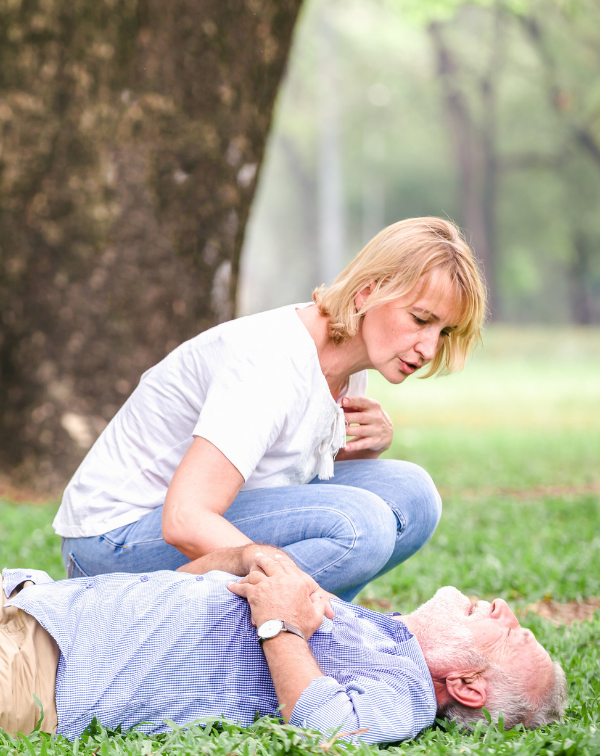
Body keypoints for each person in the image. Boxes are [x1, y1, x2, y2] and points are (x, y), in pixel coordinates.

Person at [54, 217, 486, 600]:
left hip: (184, 519)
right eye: (420, 319)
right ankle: (281, 631)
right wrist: (283, 582)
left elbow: (275, 470)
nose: (429, 348)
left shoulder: (351, 362)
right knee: (362, 526)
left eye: (444, 332)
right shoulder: (272, 361)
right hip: (108, 546)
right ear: (367, 293)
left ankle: (297, 632)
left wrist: (356, 450)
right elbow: (185, 518)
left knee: (414, 494)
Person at [1, 550, 566, 742]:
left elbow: (329, 727)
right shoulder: (383, 634)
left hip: (43, 669)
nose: (503, 609)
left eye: (511, 633)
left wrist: (280, 623)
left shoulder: (409, 693)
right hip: (41, 599)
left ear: (466, 686)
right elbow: (187, 578)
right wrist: (251, 556)